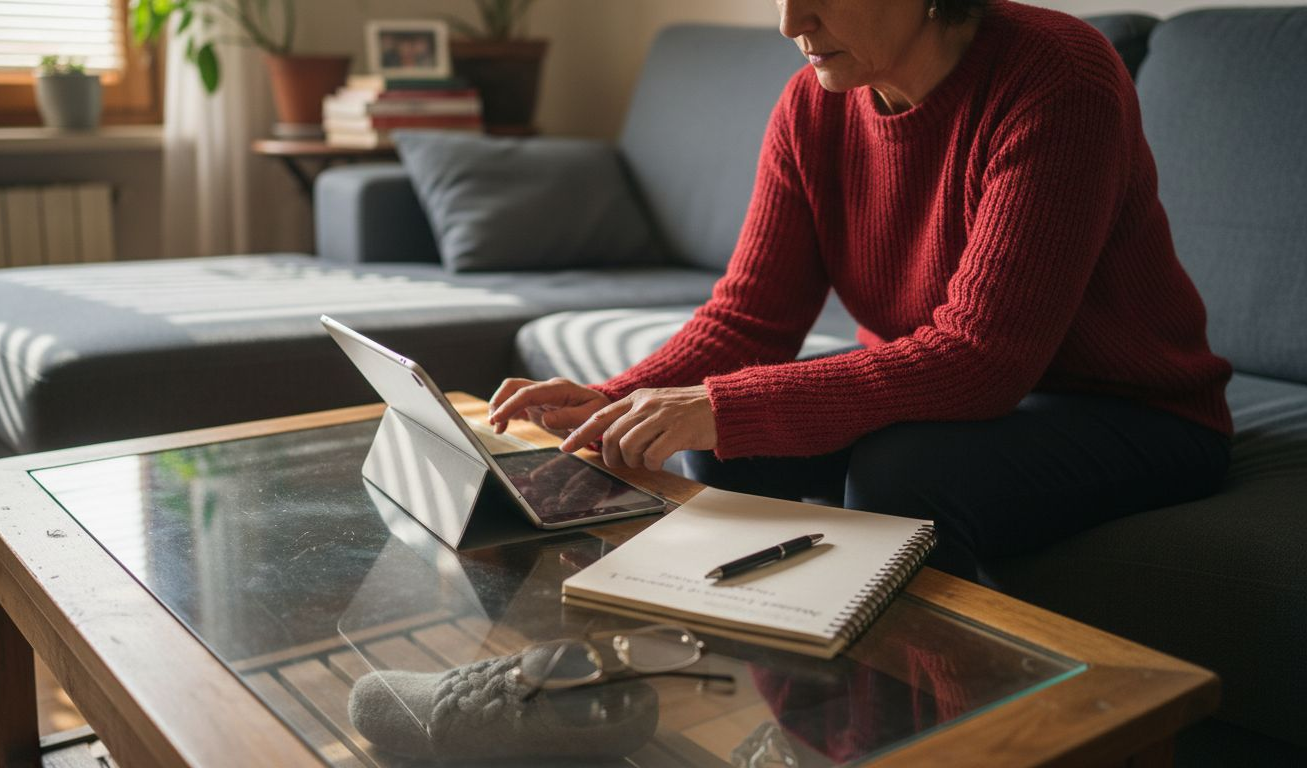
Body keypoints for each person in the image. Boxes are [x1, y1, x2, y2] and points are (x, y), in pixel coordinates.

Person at [487, 0, 1233, 581]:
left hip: (1134, 410)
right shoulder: (812, 105)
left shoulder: (1057, 76)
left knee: (899, 471)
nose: (789, 22)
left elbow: (981, 359)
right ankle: (798, 704)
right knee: (728, 447)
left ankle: (929, 723)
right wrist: (613, 402)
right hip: (958, 389)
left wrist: (723, 405)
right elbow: (751, 317)